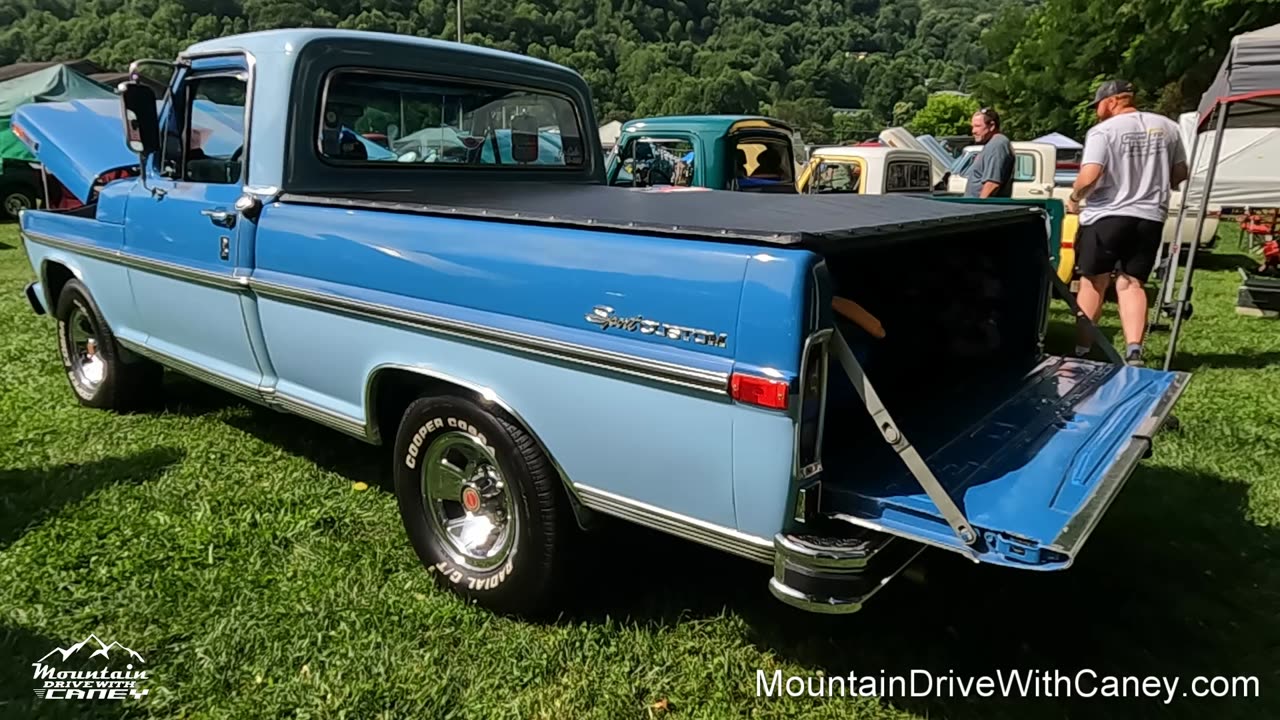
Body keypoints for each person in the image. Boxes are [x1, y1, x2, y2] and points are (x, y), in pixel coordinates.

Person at [1067, 80, 1189, 366]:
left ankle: (1083, 350)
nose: (1097, 110)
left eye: (1097, 104)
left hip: (1106, 215)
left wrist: (1075, 197)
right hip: (1149, 216)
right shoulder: (1168, 127)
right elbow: (1180, 172)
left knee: (1093, 282)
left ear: (1112, 101)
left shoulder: (1103, 131)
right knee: (1131, 283)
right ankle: (1134, 349)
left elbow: (1091, 174)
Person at [964, 108, 1014, 198]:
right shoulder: (993, 144)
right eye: (973, 127)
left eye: (977, 126)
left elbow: (992, 184)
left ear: (991, 126)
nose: (973, 131)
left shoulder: (997, 145)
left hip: (981, 209)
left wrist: (980, 207)